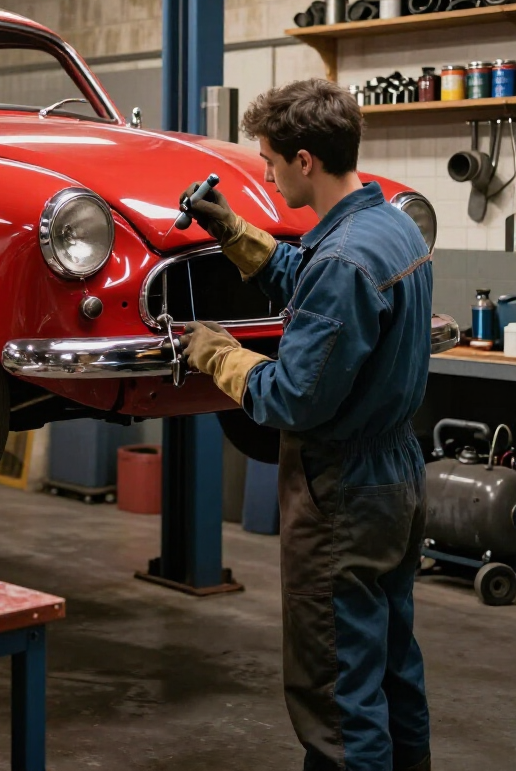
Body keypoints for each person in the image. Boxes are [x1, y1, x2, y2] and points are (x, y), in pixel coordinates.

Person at [181, 78, 432, 771]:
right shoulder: (391, 227)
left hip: (343, 492)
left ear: (304, 161)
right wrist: (232, 231)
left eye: (269, 160)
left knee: (337, 695)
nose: (264, 174)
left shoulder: (346, 260)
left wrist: (220, 354)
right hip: (398, 475)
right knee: (391, 666)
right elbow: (311, 277)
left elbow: (293, 397)